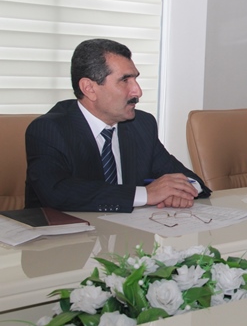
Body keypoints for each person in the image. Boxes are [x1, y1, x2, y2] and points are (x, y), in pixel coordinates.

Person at [25, 38, 210, 212]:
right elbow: (57, 193)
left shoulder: (141, 125)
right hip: (66, 233)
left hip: (127, 231)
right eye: (125, 80)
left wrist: (180, 191)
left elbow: (190, 179)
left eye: (136, 79)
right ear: (89, 88)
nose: (138, 91)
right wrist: (145, 194)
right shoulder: (49, 130)